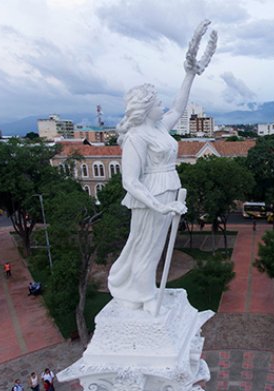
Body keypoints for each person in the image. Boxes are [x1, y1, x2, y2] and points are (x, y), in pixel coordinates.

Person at [107, 21, 216, 313]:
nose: (162, 105)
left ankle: (144, 291)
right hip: (152, 199)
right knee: (146, 246)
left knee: (155, 246)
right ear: (144, 109)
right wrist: (158, 206)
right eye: (157, 102)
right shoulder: (136, 137)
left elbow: (179, 108)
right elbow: (130, 181)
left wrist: (189, 74)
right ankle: (141, 295)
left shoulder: (160, 128)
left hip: (169, 191)